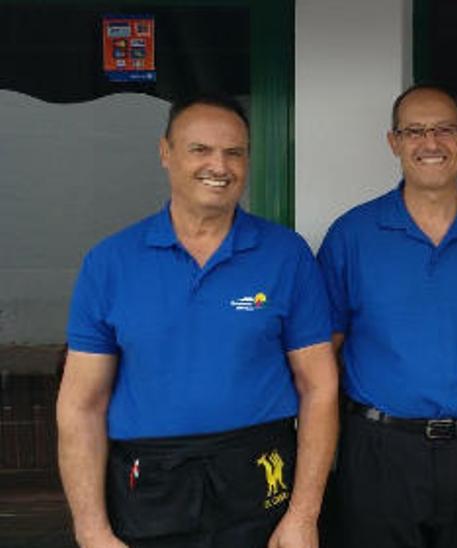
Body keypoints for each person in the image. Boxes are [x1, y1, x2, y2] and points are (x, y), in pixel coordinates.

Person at [57, 95, 339, 548]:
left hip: (259, 474)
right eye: (200, 150)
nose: (219, 166)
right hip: (150, 484)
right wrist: (92, 531)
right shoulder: (110, 263)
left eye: (234, 152)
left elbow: (319, 387)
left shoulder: (286, 256)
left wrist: (304, 515)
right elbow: (81, 405)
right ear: (165, 153)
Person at [317, 84, 457, 548]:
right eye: (414, 131)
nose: (430, 143)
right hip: (378, 450)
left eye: (443, 130)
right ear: (394, 142)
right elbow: (320, 358)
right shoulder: (352, 235)